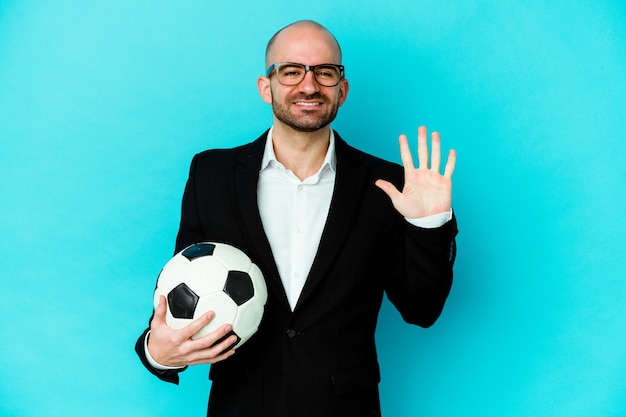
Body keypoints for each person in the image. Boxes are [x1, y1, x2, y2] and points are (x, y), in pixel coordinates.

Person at [136, 19, 458, 417]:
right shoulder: (212, 174)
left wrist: (429, 226)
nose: (309, 86)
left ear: (343, 90)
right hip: (241, 406)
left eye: (325, 72)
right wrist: (158, 352)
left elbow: (421, 310)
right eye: (291, 71)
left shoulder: (388, 186)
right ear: (265, 87)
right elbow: (180, 293)